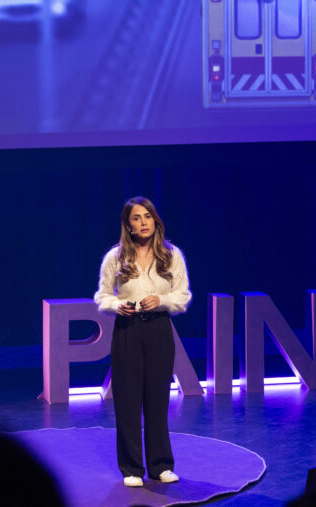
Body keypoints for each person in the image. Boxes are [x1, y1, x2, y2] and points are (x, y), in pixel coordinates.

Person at [94, 196, 191, 488]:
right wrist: (116, 306)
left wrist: (160, 301)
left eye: (147, 216)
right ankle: (132, 467)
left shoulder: (171, 255)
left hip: (159, 330)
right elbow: (102, 295)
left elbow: (183, 296)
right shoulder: (115, 257)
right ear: (128, 225)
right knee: (127, 400)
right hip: (127, 330)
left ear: (155, 220)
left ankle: (161, 464)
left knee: (157, 399)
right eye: (136, 218)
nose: (143, 222)